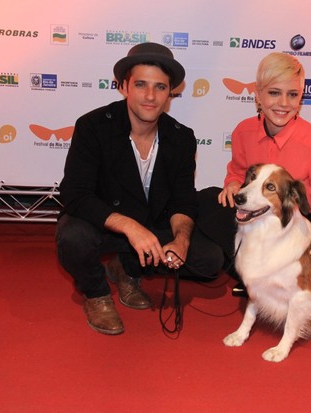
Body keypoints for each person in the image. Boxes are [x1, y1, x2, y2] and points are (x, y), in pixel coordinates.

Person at [56, 42, 224, 335]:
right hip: (106, 224)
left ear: (170, 93)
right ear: (123, 87)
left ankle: (127, 269)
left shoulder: (181, 137)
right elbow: (75, 193)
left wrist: (182, 240)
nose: (150, 96)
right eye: (141, 85)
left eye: (160, 87)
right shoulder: (93, 126)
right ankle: (96, 293)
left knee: (209, 260)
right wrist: (129, 227)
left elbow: (183, 199)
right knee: (72, 236)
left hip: (151, 227)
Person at [211, 52, 311, 294]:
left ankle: (260, 275)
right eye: (274, 92)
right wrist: (232, 183)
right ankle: (258, 274)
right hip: (257, 214)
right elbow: (238, 171)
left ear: (300, 99)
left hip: (294, 224)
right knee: (209, 201)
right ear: (258, 96)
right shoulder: (243, 131)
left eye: (292, 94)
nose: (284, 103)